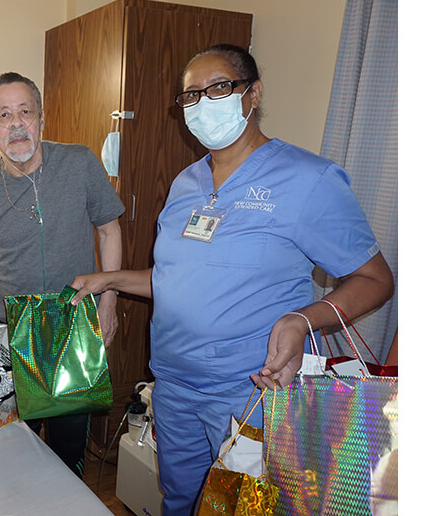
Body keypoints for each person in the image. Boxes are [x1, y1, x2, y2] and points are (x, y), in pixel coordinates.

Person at [69, 44, 394, 515]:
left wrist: (304, 319)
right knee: (180, 500)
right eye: (190, 96)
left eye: (219, 87)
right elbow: (176, 279)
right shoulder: (184, 185)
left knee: (244, 508)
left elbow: (375, 278)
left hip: (252, 392)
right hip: (175, 385)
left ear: (253, 93)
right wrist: (112, 279)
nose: (203, 103)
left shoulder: (308, 180)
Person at [0, 71, 125, 477]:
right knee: (9, 450)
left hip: (73, 324)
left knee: (68, 449)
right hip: (6, 329)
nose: (15, 124)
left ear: (41, 118)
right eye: (4, 115)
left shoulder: (80, 163)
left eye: (25, 112)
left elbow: (109, 229)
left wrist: (111, 299)